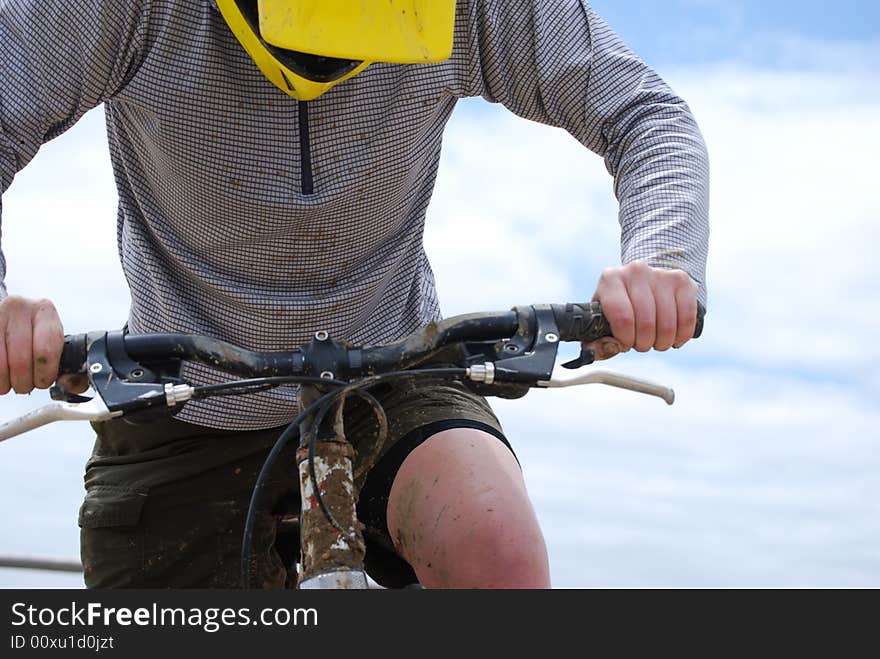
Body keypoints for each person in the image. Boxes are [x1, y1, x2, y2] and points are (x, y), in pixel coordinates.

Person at [0, 0, 709, 588]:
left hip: (393, 372)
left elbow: (645, 114)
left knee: (497, 549)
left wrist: (660, 257)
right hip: (184, 403)